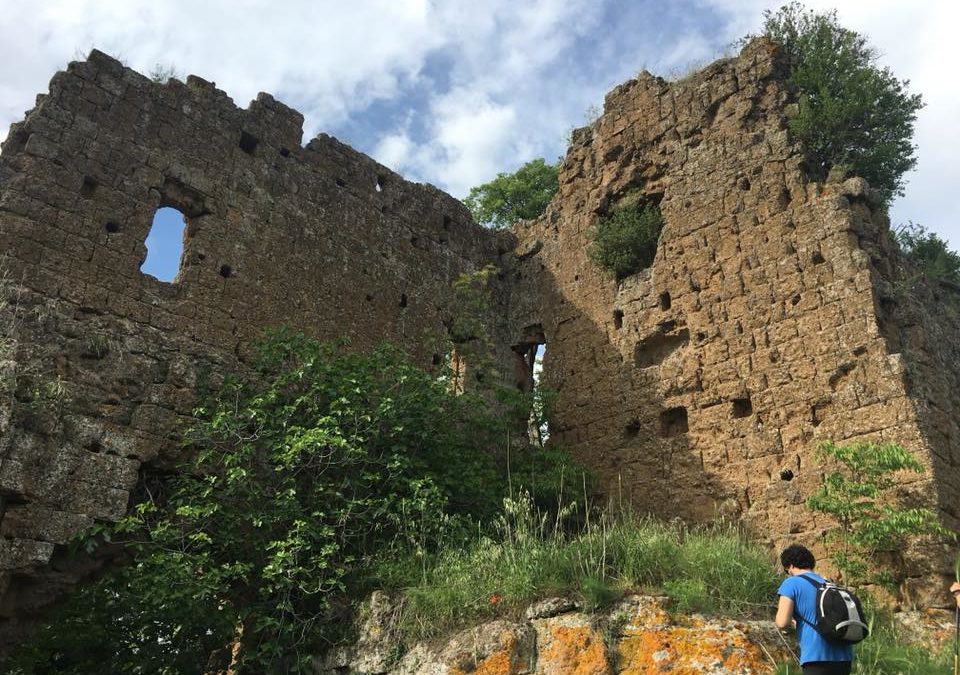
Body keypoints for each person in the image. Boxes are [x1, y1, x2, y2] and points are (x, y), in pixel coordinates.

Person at [775, 544, 854, 675]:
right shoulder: (829, 583)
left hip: (816, 657)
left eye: (786, 570)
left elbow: (782, 622)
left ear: (791, 566)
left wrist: (789, 622)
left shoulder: (791, 583)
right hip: (844, 656)